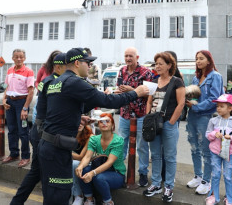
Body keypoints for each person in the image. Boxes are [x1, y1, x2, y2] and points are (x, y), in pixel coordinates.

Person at [37, 47, 149, 205]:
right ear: (77, 63)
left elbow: (58, 109)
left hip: (48, 146)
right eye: (87, 62)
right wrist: (136, 93)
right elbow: (107, 101)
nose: (90, 66)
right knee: (60, 195)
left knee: (51, 194)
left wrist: (77, 118)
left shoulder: (58, 81)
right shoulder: (75, 82)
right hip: (57, 149)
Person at [10, 53, 66, 205]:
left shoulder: (50, 81)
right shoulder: (54, 82)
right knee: (45, 173)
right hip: (44, 133)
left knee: (37, 171)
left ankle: (16, 202)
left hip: (39, 130)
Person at [143, 52, 185, 203]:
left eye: (161, 63)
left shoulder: (177, 82)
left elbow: (181, 103)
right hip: (153, 124)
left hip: (168, 123)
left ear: (169, 65)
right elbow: (149, 100)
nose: (157, 66)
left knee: (170, 157)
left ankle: (168, 186)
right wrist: (149, 115)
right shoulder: (153, 81)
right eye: (156, 64)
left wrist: (172, 122)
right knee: (154, 155)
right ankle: (155, 184)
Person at [185, 50, 224, 195]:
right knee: (194, 147)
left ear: (209, 60)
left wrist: (196, 106)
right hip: (192, 116)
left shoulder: (215, 76)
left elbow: (215, 99)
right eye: (196, 59)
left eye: (201, 58)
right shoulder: (196, 78)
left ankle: (206, 181)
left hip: (206, 117)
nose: (198, 61)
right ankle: (198, 175)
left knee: (206, 150)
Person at [116, 47, 152, 187]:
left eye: (131, 56)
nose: (128, 58)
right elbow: (119, 88)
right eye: (126, 56)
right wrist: (116, 91)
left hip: (141, 114)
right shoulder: (122, 71)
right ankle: (120, 171)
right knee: (121, 144)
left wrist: (133, 91)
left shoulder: (145, 72)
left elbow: (150, 93)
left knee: (142, 145)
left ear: (137, 57)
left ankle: (143, 173)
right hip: (125, 113)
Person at [76, 113, 124, 205]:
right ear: (98, 124)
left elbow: (109, 163)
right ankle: (89, 200)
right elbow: (87, 157)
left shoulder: (118, 141)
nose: (104, 123)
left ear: (112, 125)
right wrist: (80, 166)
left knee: (99, 177)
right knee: (82, 170)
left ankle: (108, 202)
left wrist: (92, 173)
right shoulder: (94, 139)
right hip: (99, 170)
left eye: (107, 121)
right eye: (101, 121)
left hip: (116, 173)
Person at [205, 94, 232, 205]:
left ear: (230, 108)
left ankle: (230, 199)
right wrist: (214, 134)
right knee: (215, 174)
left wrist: (231, 138)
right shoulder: (213, 121)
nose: (218, 108)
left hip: (229, 153)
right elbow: (207, 134)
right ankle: (213, 197)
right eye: (218, 106)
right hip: (215, 152)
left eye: (222, 106)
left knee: (227, 176)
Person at [2, 49, 34, 168]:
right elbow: (6, 86)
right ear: (13, 58)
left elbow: (31, 92)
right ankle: (14, 154)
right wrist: (4, 99)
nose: (19, 59)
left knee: (23, 131)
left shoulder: (28, 72)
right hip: (10, 102)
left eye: (21, 57)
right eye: (16, 57)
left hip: (22, 102)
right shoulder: (10, 70)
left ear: (24, 58)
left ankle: (25, 156)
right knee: (11, 130)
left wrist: (25, 108)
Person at [32, 50, 61, 122]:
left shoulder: (62, 70)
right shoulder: (44, 68)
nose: (56, 61)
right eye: (54, 59)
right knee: (36, 117)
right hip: (42, 97)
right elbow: (37, 81)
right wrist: (40, 89)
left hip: (55, 98)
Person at [72, 122, 94, 205]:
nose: (80, 124)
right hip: (75, 161)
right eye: (78, 121)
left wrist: (66, 152)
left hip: (88, 162)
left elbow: (81, 157)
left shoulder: (90, 136)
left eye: (82, 122)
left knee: (73, 164)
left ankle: (79, 196)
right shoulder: (68, 133)